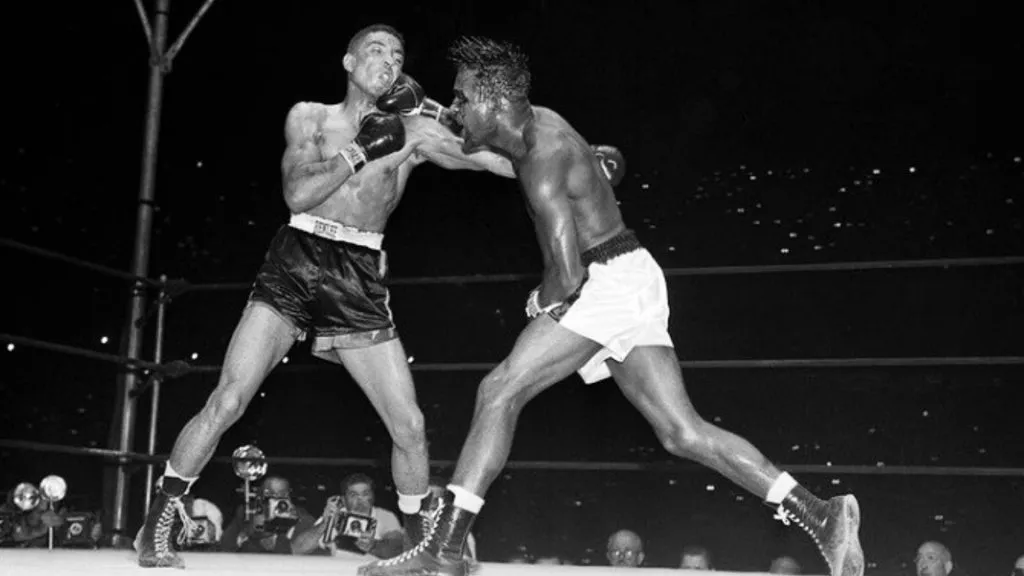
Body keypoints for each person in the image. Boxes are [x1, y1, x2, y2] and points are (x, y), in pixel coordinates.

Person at [358, 36, 864, 576]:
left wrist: (541, 304)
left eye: (461, 97)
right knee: (682, 432)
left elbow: (568, 273)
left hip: (604, 283)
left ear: (493, 99)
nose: (455, 108)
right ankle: (821, 514)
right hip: (634, 273)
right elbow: (480, 140)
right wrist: (429, 108)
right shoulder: (532, 124)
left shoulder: (544, 157)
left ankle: (445, 551)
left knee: (500, 390)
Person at [135, 23, 522, 568]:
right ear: (348, 61)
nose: (388, 59)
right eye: (376, 49)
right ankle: (157, 523)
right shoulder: (309, 117)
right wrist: (360, 152)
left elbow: (499, 162)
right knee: (227, 400)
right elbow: (297, 193)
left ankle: (418, 545)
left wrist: (554, 152)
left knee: (409, 425)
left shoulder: (414, 128)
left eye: (397, 54)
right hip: (294, 261)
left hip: (357, 273)